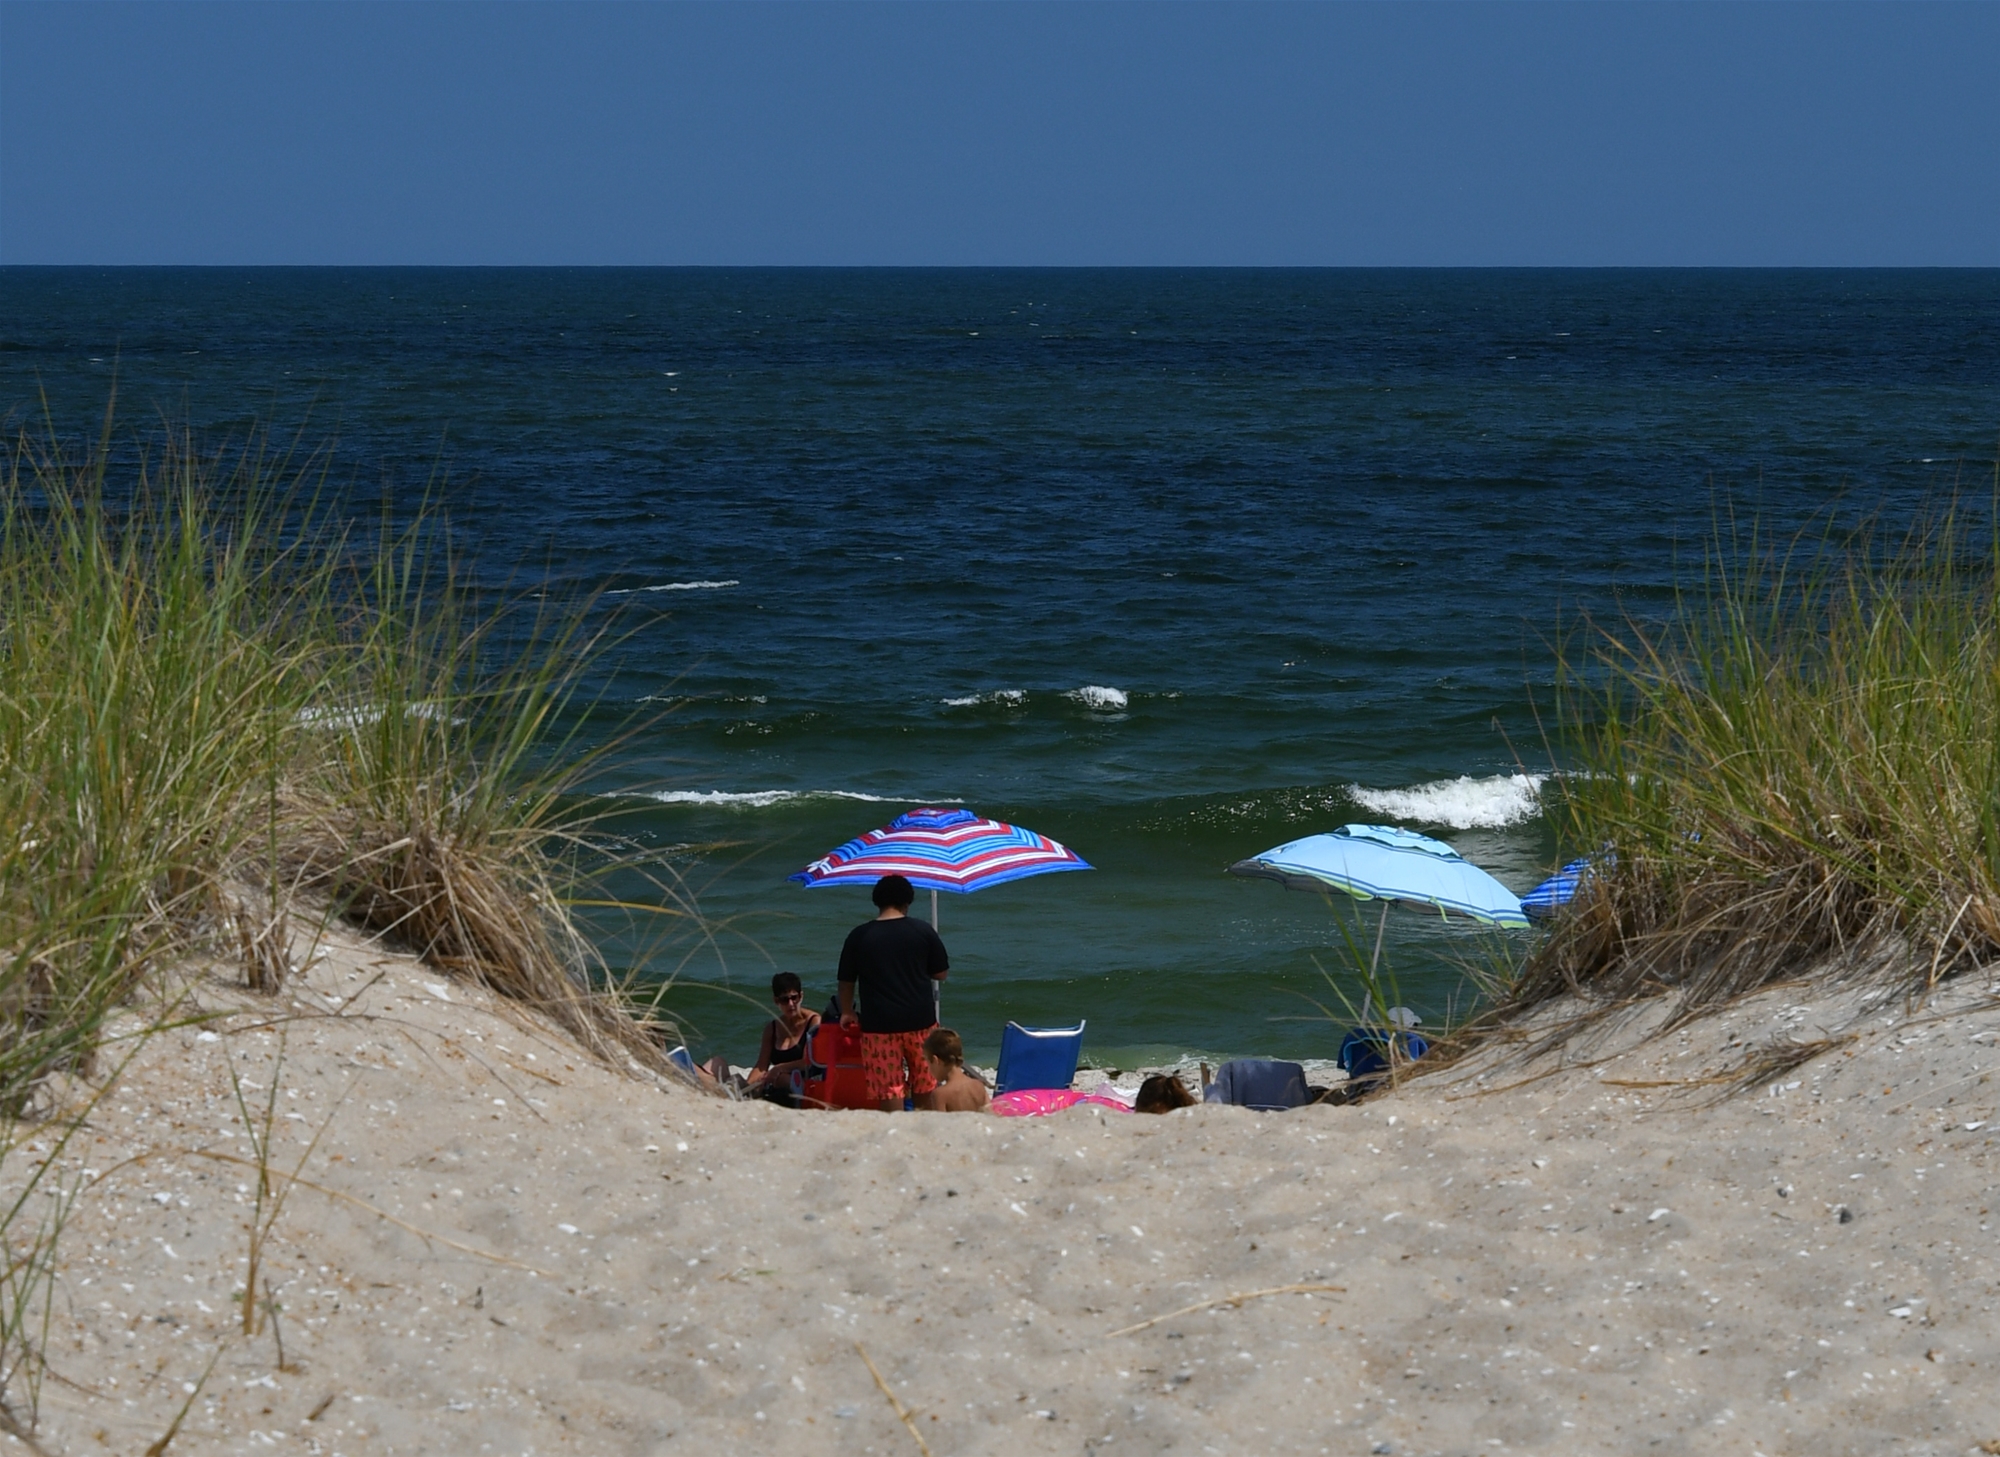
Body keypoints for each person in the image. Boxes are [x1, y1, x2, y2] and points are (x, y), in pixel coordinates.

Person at [836, 874, 949, 1112]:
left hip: (879, 1025)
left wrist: (847, 1011)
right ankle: (924, 1126)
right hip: (920, 1020)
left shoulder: (859, 936)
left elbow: (846, 981)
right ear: (907, 901)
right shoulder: (923, 931)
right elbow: (941, 973)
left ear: (877, 900)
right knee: (925, 1080)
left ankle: (895, 1131)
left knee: (888, 1086)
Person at [746, 971, 820, 1101]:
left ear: (801, 996)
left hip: (806, 1081)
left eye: (794, 998)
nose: (791, 1004)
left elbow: (807, 1062)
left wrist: (779, 1068)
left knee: (782, 1079)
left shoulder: (813, 1022)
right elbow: (761, 1066)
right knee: (738, 1080)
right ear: (776, 1001)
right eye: (784, 1000)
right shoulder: (772, 1029)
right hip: (779, 1083)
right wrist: (750, 1085)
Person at [921, 1028, 989, 1113]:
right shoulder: (979, 1085)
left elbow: (940, 1125)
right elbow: (990, 1117)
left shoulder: (940, 1095)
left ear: (935, 1060)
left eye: (928, 1062)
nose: (928, 1068)